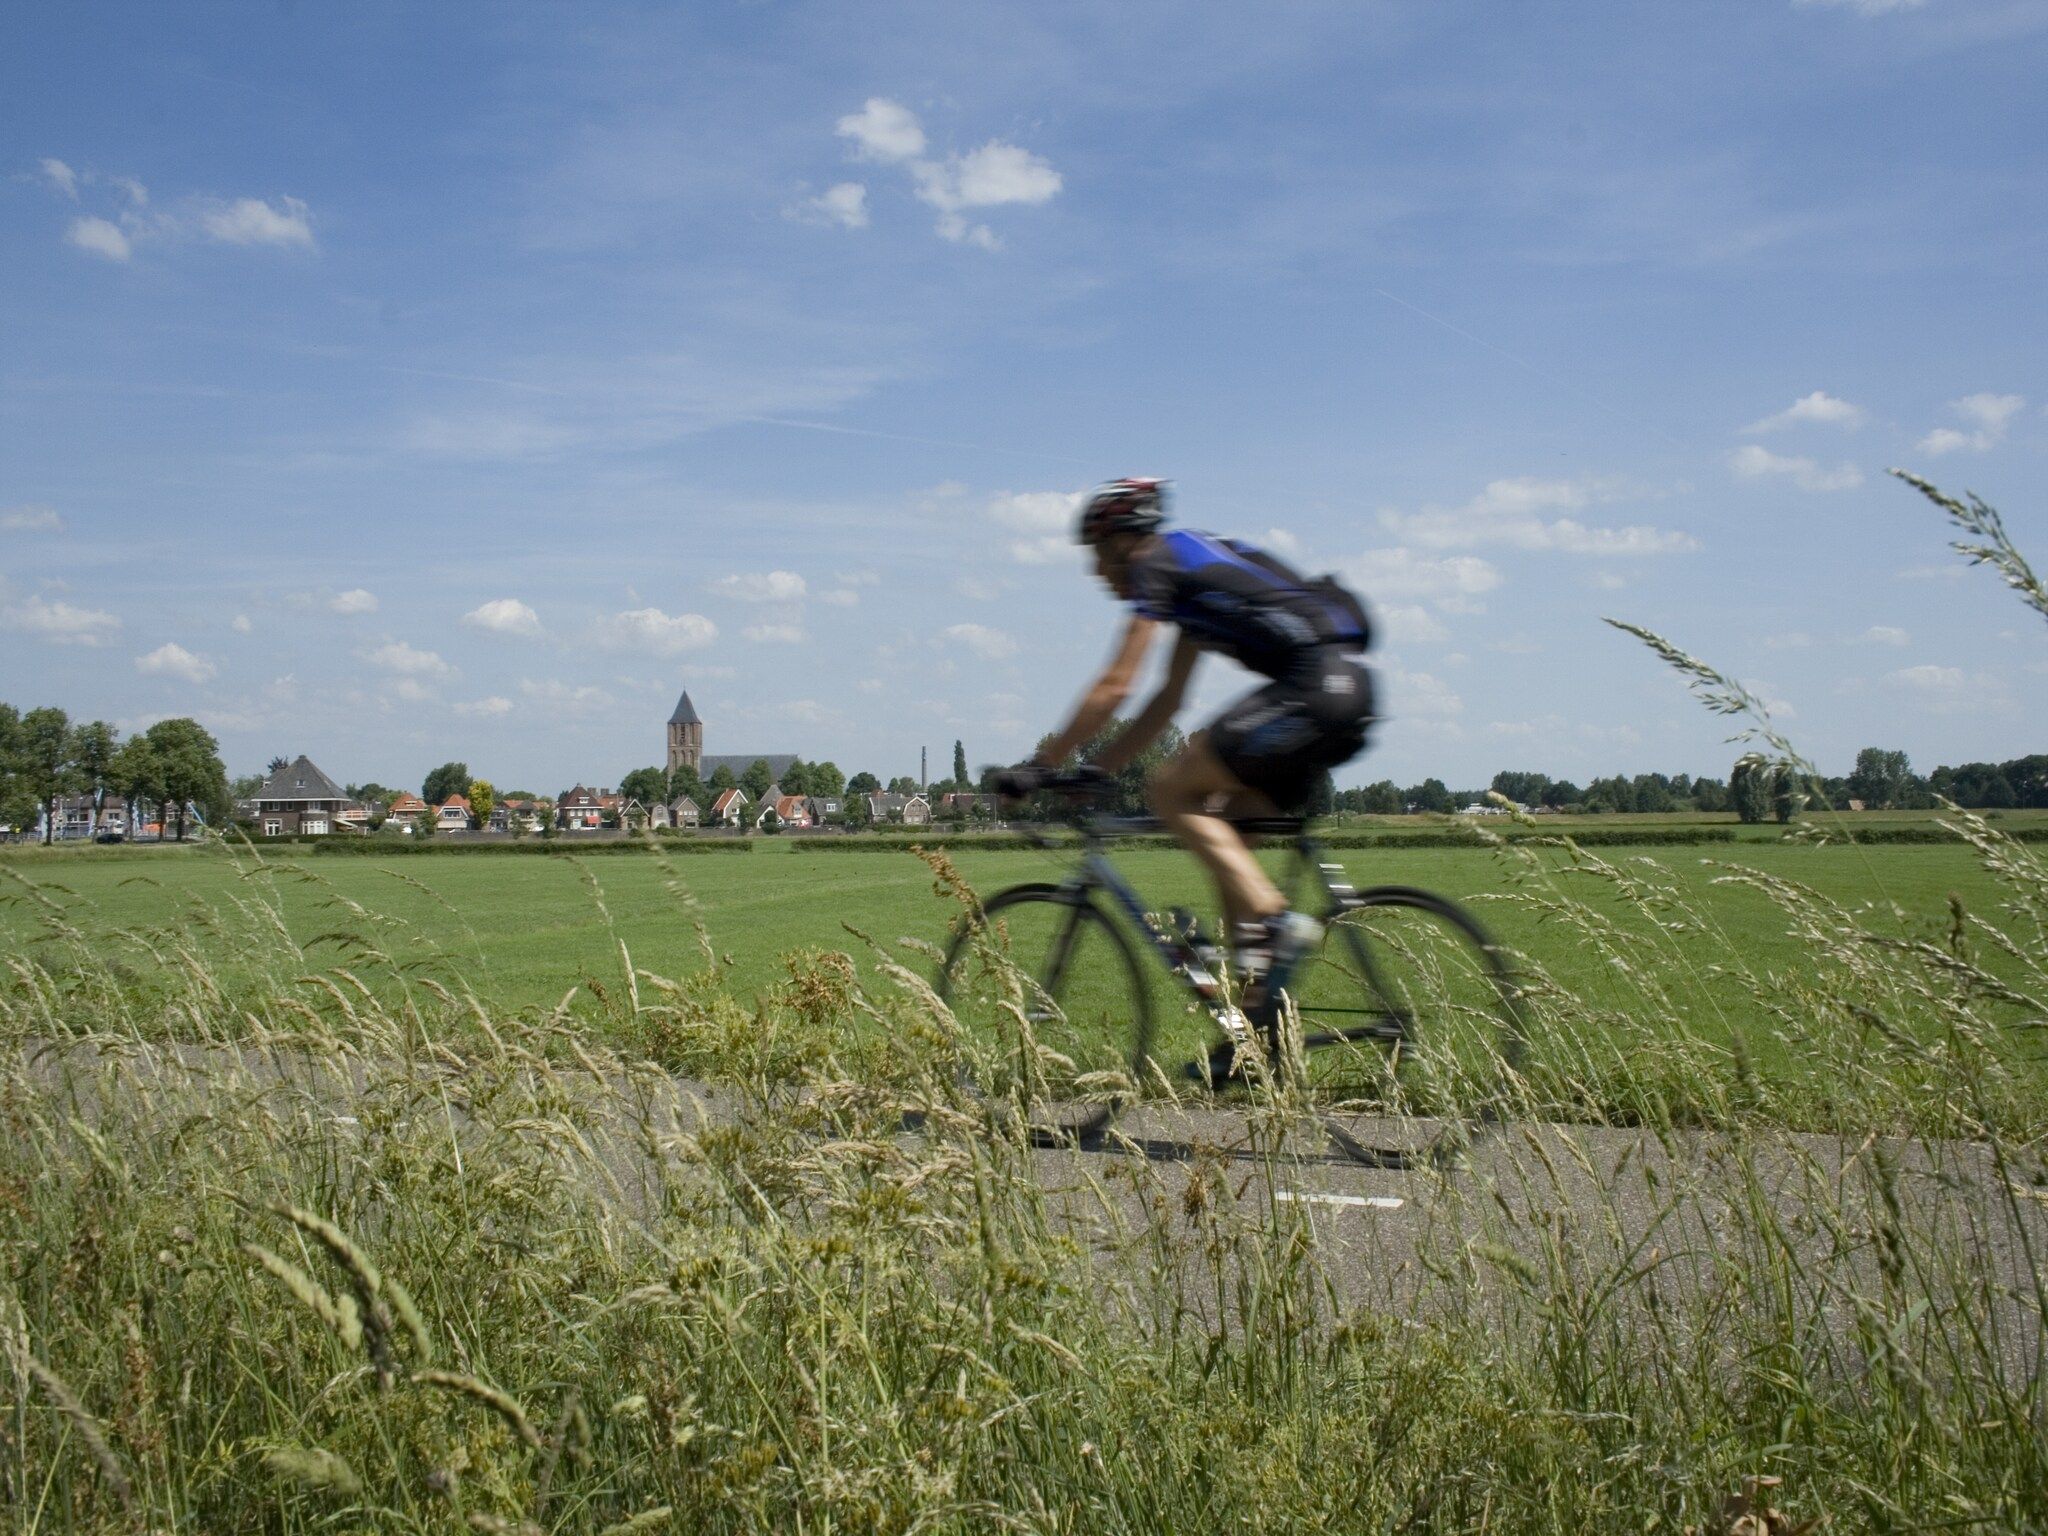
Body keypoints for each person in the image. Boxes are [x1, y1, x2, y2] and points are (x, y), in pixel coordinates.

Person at [994, 478, 1375, 1052]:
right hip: (1348, 691)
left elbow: (1118, 682)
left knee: (1169, 790)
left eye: (1098, 555)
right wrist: (1096, 769)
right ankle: (1253, 1035)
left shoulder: (1158, 563)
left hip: (1313, 688)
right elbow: (1167, 698)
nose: (1098, 574)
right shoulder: (1191, 575)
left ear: (1125, 540)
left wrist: (1039, 765)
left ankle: (1275, 922)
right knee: (1230, 831)